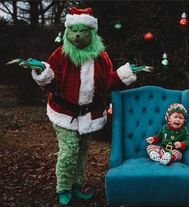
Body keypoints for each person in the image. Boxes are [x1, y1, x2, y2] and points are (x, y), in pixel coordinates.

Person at [14, 7, 151, 205]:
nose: (78, 35)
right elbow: (52, 82)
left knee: (81, 153)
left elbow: (107, 82)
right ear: (68, 31)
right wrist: (43, 71)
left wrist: (125, 74)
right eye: (74, 30)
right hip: (64, 112)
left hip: (89, 114)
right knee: (69, 150)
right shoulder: (61, 55)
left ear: (91, 32)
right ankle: (63, 187)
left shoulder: (101, 57)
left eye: (83, 31)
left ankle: (76, 186)